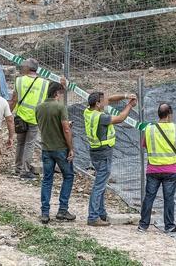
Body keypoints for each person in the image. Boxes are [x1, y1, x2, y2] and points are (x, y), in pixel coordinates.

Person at [138, 103, 176, 234]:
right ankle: (169, 226)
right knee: (169, 198)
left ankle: (143, 225)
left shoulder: (149, 129)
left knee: (149, 197)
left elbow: (143, 144)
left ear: (159, 114)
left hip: (153, 169)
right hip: (171, 170)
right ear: (169, 115)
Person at [84, 92, 137, 226]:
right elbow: (120, 118)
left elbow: (110, 99)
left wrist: (125, 95)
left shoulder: (88, 111)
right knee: (99, 185)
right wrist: (130, 105)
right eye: (103, 101)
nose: (106, 102)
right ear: (97, 104)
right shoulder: (101, 117)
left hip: (94, 151)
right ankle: (93, 216)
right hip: (103, 152)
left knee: (100, 183)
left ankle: (101, 213)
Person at [36, 82, 76, 224]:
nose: (61, 96)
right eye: (61, 93)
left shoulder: (39, 107)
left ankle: (45, 212)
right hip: (60, 149)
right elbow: (66, 129)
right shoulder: (60, 107)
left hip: (46, 148)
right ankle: (62, 210)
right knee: (68, 176)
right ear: (56, 93)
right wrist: (70, 147)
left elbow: (43, 125)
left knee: (47, 180)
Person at [9, 58, 50, 180]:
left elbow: (14, 99)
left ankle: (17, 167)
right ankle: (25, 170)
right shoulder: (45, 83)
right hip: (35, 117)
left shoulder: (19, 80)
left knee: (20, 142)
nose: (22, 67)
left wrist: (8, 113)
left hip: (21, 116)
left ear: (27, 67)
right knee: (29, 144)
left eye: (23, 66)